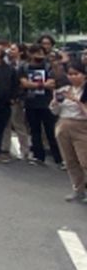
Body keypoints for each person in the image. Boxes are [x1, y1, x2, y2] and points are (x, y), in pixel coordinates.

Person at [20, 44, 62, 167]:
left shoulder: (49, 67)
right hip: (31, 103)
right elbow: (23, 84)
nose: (39, 55)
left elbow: (53, 83)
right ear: (30, 54)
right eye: (36, 52)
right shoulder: (24, 67)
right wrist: (42, 85)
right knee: (34, 131)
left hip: (47, 103)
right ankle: (38, 156)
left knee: (51, 131)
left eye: (41, 52)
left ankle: (59, 158)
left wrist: (33, 84)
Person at [51, 61, 87, 202]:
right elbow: (55, 111)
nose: (73, 77)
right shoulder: (64, 89)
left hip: (81, 125)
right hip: (63, 124)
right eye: (70, 74)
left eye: (76, 74)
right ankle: (78, 189)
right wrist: (55, 103)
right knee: (70, 160)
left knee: (84, 160)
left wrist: (77, 101)